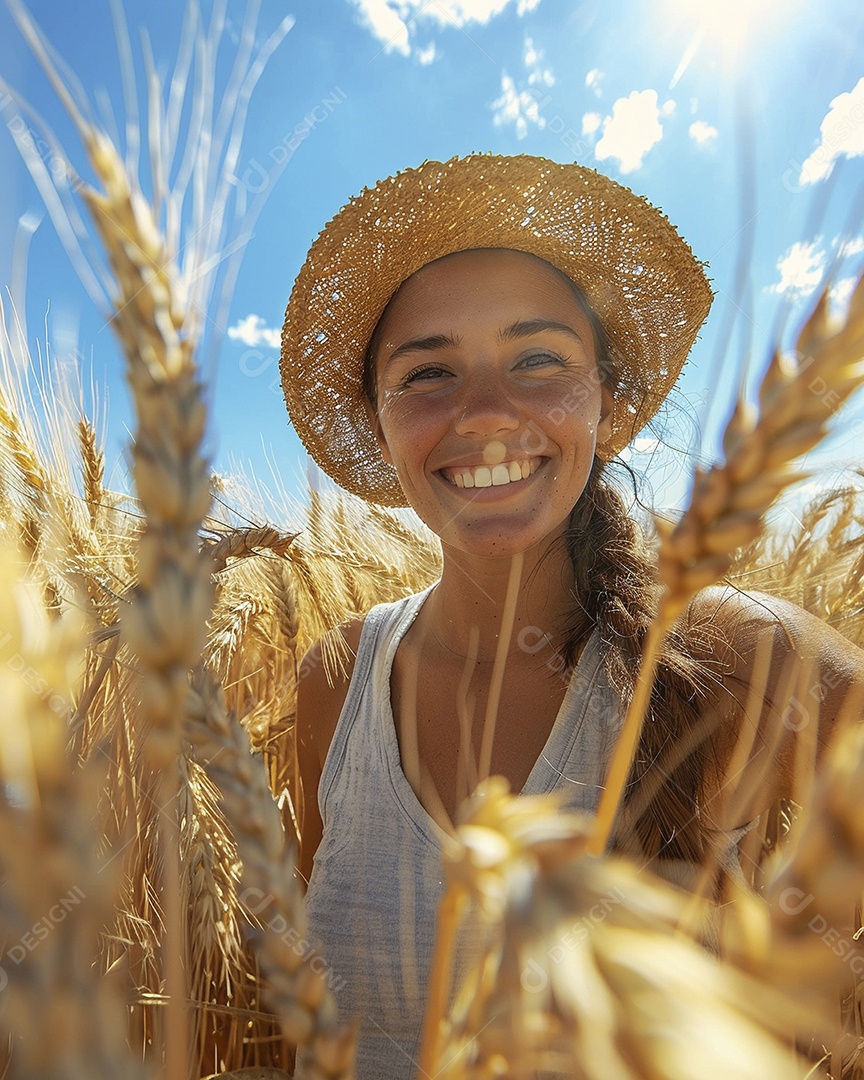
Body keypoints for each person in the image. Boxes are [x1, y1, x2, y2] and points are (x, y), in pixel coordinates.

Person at [279, 154, 864, 1078]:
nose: (484, 413)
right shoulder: (337, 675)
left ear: (612, 406)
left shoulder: (737, 654)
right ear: (379, 420)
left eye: (538, 359)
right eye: (428, 373)